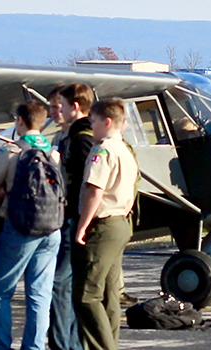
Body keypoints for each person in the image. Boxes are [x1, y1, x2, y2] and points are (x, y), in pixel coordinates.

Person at [0, 101, 64, 350]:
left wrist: (1, 199)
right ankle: (35, 346)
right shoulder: (55, 153)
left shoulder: (9, 151)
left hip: (19, 227)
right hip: (52, 228)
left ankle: (1, 345)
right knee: (39, 294)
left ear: (20, 121)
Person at [73, 97, 137, 350]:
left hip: (103, 224)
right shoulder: (126, 150)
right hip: (122, 221)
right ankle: (110, 341)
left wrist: (82, 225)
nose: (92, 126)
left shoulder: (103, 150)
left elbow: (95, 191)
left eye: (94, 121)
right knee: (110, 293)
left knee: (86, 294)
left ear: (107, 121)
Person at [47, 83, 95, 350]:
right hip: (70, 216)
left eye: (60, 106)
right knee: (69, 283)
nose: (56, 111)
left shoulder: (82, 138)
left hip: (73, 219)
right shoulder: (69, 137)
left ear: (74, 107)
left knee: (60, 283)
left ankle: (64, 344)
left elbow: (89, 183)